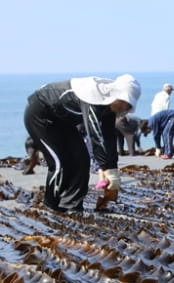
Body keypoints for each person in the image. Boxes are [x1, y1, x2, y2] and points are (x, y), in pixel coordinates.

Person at [23, 74, 141, 212]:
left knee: (82, 160)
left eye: (128, 105)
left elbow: (109, 136)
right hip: (40, 115)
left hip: (63, 121)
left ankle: (71, 205)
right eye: (124, 102)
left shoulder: (109, 106)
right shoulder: (93, 95)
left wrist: (112, 168)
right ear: (116, 94)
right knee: (59, 164)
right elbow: (95, 134)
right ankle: (51, 205)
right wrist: (105, 167)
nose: (124, 107)